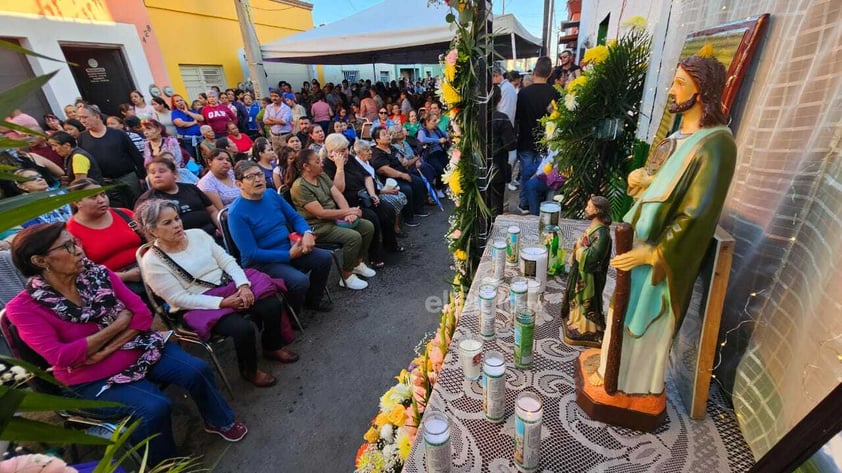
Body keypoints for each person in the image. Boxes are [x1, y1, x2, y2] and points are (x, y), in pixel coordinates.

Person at [6, 224, 247, 466]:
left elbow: (142, 314)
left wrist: (105, 349)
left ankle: (218, 419)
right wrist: (118, 324)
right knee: (153, 408)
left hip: (138, 348)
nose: (79, 250)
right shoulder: (24, 308)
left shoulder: (98, 274)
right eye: (68, 246)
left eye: (76, 241)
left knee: (196, 369)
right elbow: (62, 356)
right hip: (91, 377)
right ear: (39, 260)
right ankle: (163, 465)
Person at [591, 52, 737, 397]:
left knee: (644, 323)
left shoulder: (717, 146)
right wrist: (640, 180)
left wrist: (653, 255)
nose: (672, 91)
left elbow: (695, 216)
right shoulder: (680, 135)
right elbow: (661, 183)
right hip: (639, 244)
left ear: (702, 92)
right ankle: (614, 374)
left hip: (660, 256)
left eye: (680, 84)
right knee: (620, 314)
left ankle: (632, 388)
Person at [136, 199, 298, 388]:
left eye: (177, 218)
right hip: (198, 303)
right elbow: (178, 299)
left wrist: (243, 286)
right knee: (242, 329)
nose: (177, 225)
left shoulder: (197, 235)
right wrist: (223, 303)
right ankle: (249, 370)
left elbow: (228, 262)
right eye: (167, 222)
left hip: (229, 287)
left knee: (272, 304)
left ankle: (272, 347)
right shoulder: (152, 262)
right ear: (152, 230)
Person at [228, 160, 333, 314]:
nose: (257, 179)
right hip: (263, 261)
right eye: (250, 177)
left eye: (259, 174)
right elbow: (251, 253)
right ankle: (291, 316)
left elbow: (295, 218)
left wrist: (307, 233)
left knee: (324, 258)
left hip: (289, 246)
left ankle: (313, 301)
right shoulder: (236, 213)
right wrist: (288, 255)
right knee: (299, 281)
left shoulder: (271, 194)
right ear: (239, 184)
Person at [290, 149, 376, 290]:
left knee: (367, 227)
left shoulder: (321, 175)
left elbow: (337, 195)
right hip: (317, 227)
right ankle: (346, 276)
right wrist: (348, 211)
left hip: (333, 219)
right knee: (353, 237)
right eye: (317, 161)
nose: (321, 163)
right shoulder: (300, 187)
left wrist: (348, 214)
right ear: (306, 166)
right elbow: (320, 214)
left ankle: (357, 263)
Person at [65, 178, 144, 295]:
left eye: (103, 194)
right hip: (114, 285)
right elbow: (81, 272)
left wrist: (145, 232)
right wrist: (125, 276)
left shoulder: (124, 214)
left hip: (150, 268)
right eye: (93, 197)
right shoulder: (70, 232)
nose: (101, 200)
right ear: (77, 202)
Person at [561, 196, 612, 346]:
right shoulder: (594, 228)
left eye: (589, 207)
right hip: (581, 273)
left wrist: (580, 248)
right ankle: (576, 321)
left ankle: (587, 327)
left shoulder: (603, 234)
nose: (585, 209)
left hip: (589, 277)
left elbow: (594, 257)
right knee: (576, 296)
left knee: (587, 301)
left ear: (597, 211)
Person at [514, 56, 560, 214]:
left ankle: (524, 203)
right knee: (542, 174)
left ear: (534, 71)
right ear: (550, 73)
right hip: (546, 142)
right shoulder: (555, 93)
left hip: (525, 139)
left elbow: (517, 117)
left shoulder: (524, 93)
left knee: (526, 172)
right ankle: (539, 205)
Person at [76, 105, 145, 208]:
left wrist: (141, 176)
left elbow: (136, 155)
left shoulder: (118, 134)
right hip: (105, 182)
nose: (82, 121)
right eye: (79, 118)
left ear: (97, 116)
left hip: (128, 177)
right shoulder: (82, 138)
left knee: (138, 205)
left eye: (85, 117)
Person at [136, 158, 218, 238]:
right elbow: (147, 232)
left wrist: (221, 229)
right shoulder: (147, 201)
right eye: (152, 173)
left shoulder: (191, 188)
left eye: (162, 171)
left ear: (174, 174)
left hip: (212, 235)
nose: (157, 175)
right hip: (179, 243)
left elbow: (212, 211)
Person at [371, 126, 428, 227]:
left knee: (418, 182)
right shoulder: (377, 153)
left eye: (388, 133)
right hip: (390, 180)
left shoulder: (392, 148)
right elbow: (384, 170)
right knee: (407, 189)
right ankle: (408, 218)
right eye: (384, 134)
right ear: (377, 140)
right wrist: (402, 175)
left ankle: (418, 209)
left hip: (403, 173)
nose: (388, 136)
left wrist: (408, 160)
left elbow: (402, 159)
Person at [488, 85, 517, 216]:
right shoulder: (502, 118)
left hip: (478, 167)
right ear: (499, 99)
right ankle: (494, 230)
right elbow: (511, 144)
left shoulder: (475, 118)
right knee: (496, 203)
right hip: (497, 167)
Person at [171, 94, 204, 158]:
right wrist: (194, 123)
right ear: (174, 104)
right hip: (186, 140)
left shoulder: (192, 111)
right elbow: (181, 124)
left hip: (199, 138)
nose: (180, 102)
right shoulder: (175, 113)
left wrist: (188, 112)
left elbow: (201, 118)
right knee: (192, 158)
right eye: (177, 101)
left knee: (202, 158)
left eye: (181, 100)